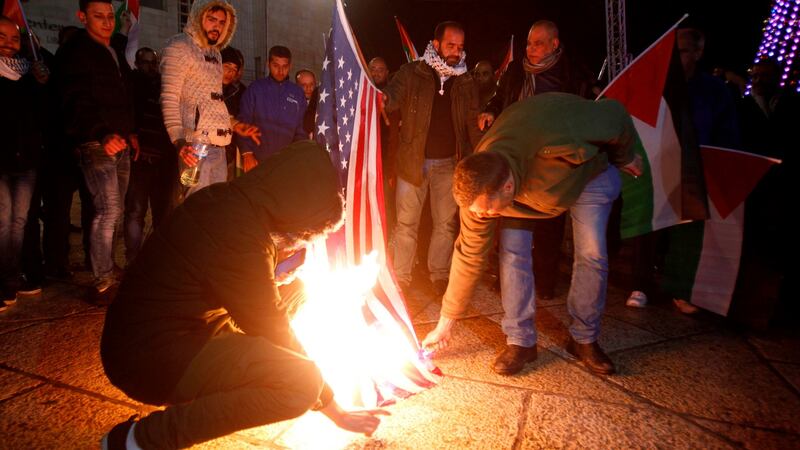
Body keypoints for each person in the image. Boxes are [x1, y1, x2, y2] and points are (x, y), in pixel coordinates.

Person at [100, 141, 388, 449]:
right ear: (294, 215)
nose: (295, 245)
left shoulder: (227, 202)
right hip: (147, 357)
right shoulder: (241, 235)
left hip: (152, 335)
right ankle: (138, 440)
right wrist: (334, 408)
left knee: (296, 294)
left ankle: (192, 405)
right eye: (304, 235)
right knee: (301, 382)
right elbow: (272, 328)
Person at [422, 93, 643, 376]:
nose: (482, 216)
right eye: (477, 212)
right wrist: (445, 324)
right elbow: (469, 255)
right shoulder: (480, 191)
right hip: (531, 194)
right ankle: (521, 341)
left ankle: (584, 338)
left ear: (506, 187)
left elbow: (614, 114)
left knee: (591, 253)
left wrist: (625, 156)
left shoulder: (557, 132)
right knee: (512, 255)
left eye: (487, 212)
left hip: (587, 175)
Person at [480, 20, 594, 302]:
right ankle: (508, 279)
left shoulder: (572, 72)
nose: (530, 49)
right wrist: (491, 111)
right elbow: (500, 97)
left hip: (554, 157)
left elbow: (586, 106)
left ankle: (545, 280)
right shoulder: (516, 70)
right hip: (518, 153)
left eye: (538, 43)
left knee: (549, 219)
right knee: (513, 213)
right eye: (529, 43)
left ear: (554, 44)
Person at [381, 21, 482, 295]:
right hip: (413, 161)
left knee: (445, 223)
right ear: (435, 44)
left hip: (450, 163)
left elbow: (473, 121)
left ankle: (439, 275)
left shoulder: (466, 80)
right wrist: (378, 98)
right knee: (406, 223)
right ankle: (402, 277)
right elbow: (391, 97)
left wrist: (481, 156)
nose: (456, 51)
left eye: (460, 47)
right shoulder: (412, 72)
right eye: (450, 45)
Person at [54, 0, 136, 302]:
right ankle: (102, 281)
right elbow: (75, 99)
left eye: (108, 16)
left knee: (118, 210)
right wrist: (101, 133)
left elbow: (125, 96)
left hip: (122, 141)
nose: (106, 22)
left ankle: (108, 266)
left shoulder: (114, 49)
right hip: (97, 143)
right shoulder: (76, 53)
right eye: (97, 16)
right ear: (82, 16)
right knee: (107, 209)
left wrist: (131, 132)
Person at [160, 0, 260, 198]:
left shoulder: (216, 54)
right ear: (198, 17)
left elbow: (212, 103)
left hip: (218, 148)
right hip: (194, 146)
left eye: (222, 22)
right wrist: (179, 141)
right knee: (193, 208)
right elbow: (169, 98)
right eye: (212, 19)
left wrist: (235, 125)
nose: (217, 26)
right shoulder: (179, 46)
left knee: (213, 208)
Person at [0, 16, 48, 309]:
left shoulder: (29, 75)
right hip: (1, 160)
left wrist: (42, 84)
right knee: (2, 222)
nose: (9, 43)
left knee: (19, 222)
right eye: (2, 36)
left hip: (26, 160)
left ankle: (11, 277)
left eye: (14, 38)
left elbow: (40, 115)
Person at [123, 47, 178, 264]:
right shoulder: (133, 87)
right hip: (140, 159)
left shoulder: (165, 90)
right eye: (145, 62)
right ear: (137, 63)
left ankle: (156, 261)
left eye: (154, 63)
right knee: (135, 211)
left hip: (163, 162)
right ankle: (133, 260)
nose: (151, 67)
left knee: (162, 215)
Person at [237, 46, 307, 171]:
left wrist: (297, 156)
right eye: (276, 65)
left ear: (290, 66)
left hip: (286, 163)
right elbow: (243, 122)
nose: (280, 71)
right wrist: (247, 153)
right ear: (268, 64)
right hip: (256, 162)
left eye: (284, 66)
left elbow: (301, 130)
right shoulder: (255, 89)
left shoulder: (297, 93)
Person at [295, 68, 318, 138]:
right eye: (304, 85)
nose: (308, 88)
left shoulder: (320, 105)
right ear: (296, 86)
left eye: (312, 84)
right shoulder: (293, 105)